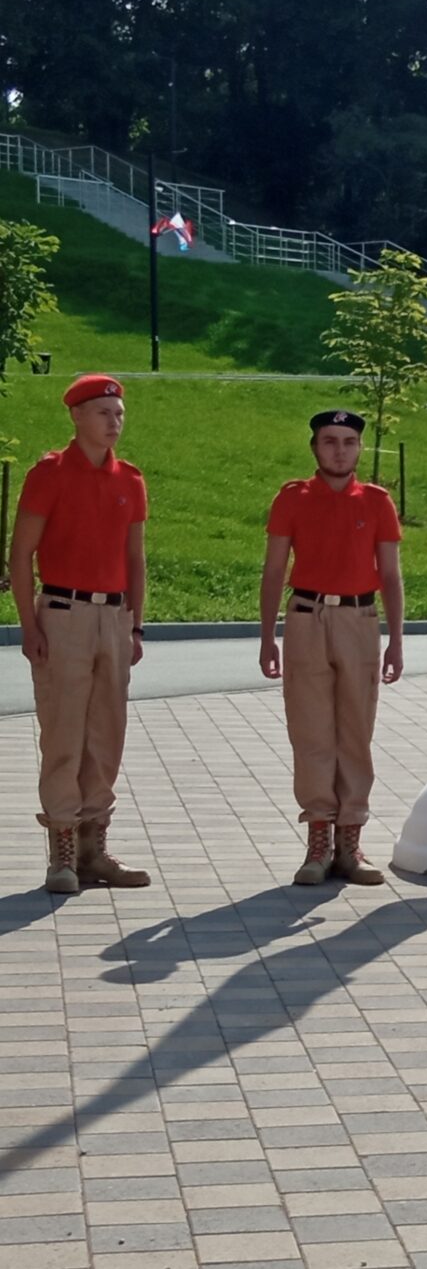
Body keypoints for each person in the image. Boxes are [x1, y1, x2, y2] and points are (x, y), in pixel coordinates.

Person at [8, 375, 152, 894]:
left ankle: (95, 850)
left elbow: (136, 559)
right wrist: (29, 624)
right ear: (76, 417)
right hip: (63, 613)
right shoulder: (50, 473)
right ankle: (62, 854)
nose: (114, 422)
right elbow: (20, 555)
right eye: (102, 413)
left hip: (113, 619)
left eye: (118, 413)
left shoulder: (130, 479)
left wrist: (135, 623)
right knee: (64, 734)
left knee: (107, 736)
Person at [259, 410, 405, 886]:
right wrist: (267, 636)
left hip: (360, 621)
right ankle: (318, 841)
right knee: (311, 730)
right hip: (306, 619)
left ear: (360, 449)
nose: (339, 449)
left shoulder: (377, 502)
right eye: (329, 441)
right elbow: (274, 571)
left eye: (348, 441)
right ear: (315, 449)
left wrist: (397, 641)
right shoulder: (293, 499)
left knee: (355, 731)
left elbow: (390, 574)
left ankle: (351, 842)